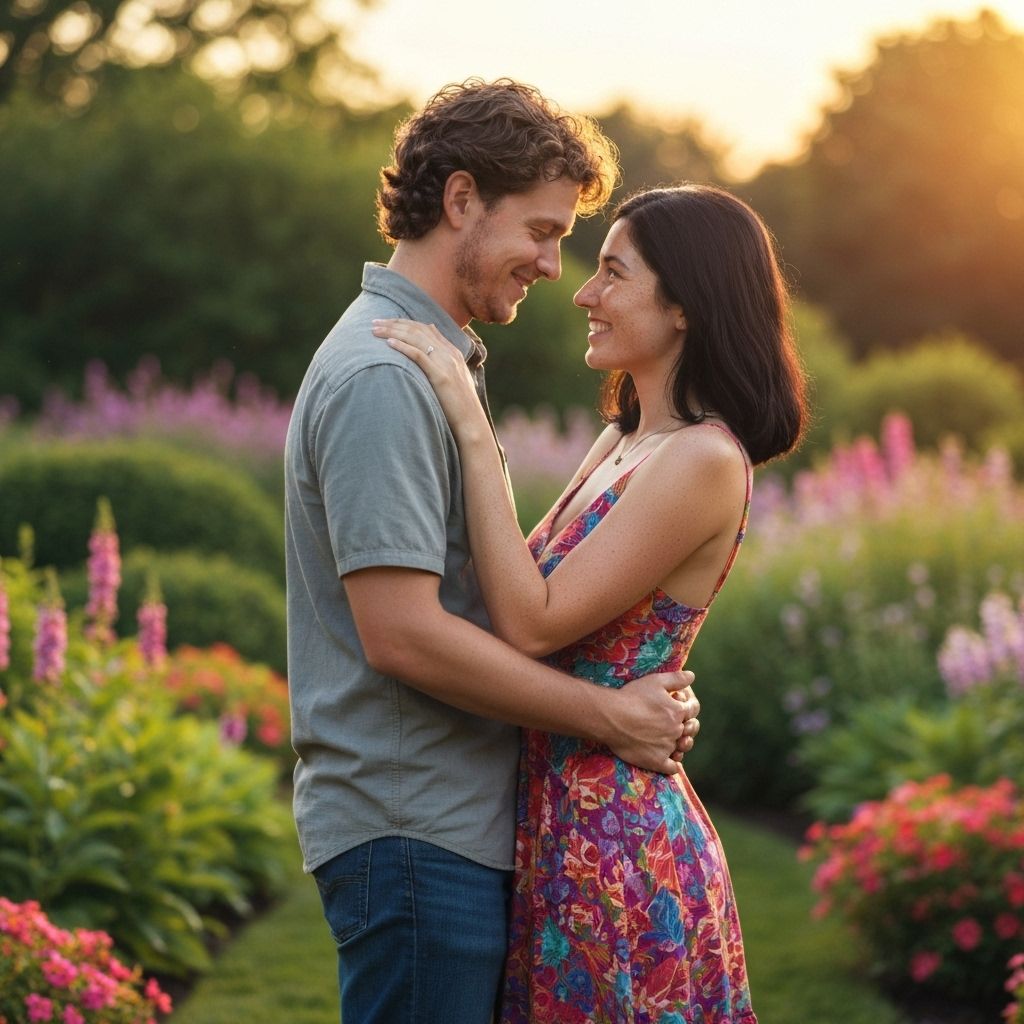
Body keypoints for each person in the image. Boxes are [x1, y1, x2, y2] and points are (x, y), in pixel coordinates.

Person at [283, 79, 702, 1024]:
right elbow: (402, 636)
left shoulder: (429, 362)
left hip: (439, 827)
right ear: (462, 199)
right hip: (411, 828)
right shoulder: (387, 376)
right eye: (543, 232)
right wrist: (607, 717)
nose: (556, 266)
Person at [373, 182, 807, 1022]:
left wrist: (468, 420)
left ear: (685, 307)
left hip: (622, 848)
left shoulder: (703, 459)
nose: (583, 292)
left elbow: (530, 621)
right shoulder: (624, 438)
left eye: (613, 273)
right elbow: (520, 590)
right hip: (557, 824)